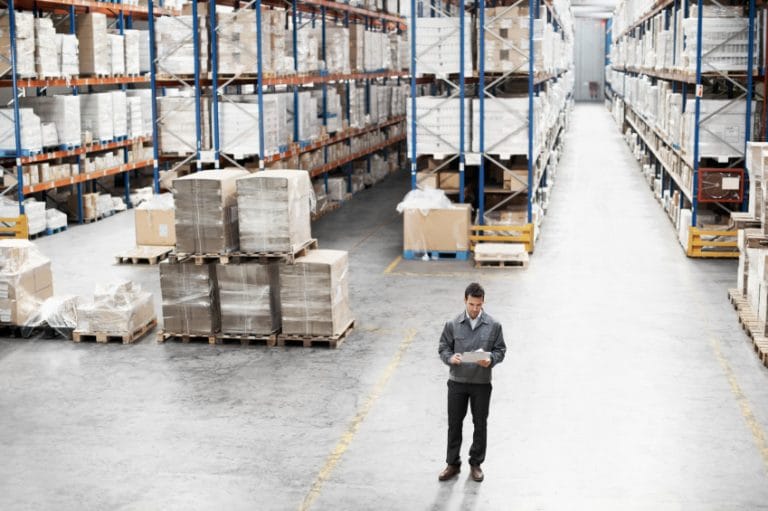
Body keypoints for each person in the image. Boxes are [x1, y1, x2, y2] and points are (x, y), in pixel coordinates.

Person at [437, 282, 506, 482]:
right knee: (454, 424)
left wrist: (491, 359)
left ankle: (476, 463)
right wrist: (450, 359)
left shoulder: (494, 325)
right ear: (465, 301)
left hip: (481, 384)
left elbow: (500, 350)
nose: (475, 309)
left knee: (480, 424)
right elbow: (443, 348)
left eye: (478, 305)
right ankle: (452, 463)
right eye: (471, 304)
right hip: (457, 382)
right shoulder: (452, 324)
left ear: (483, 302)